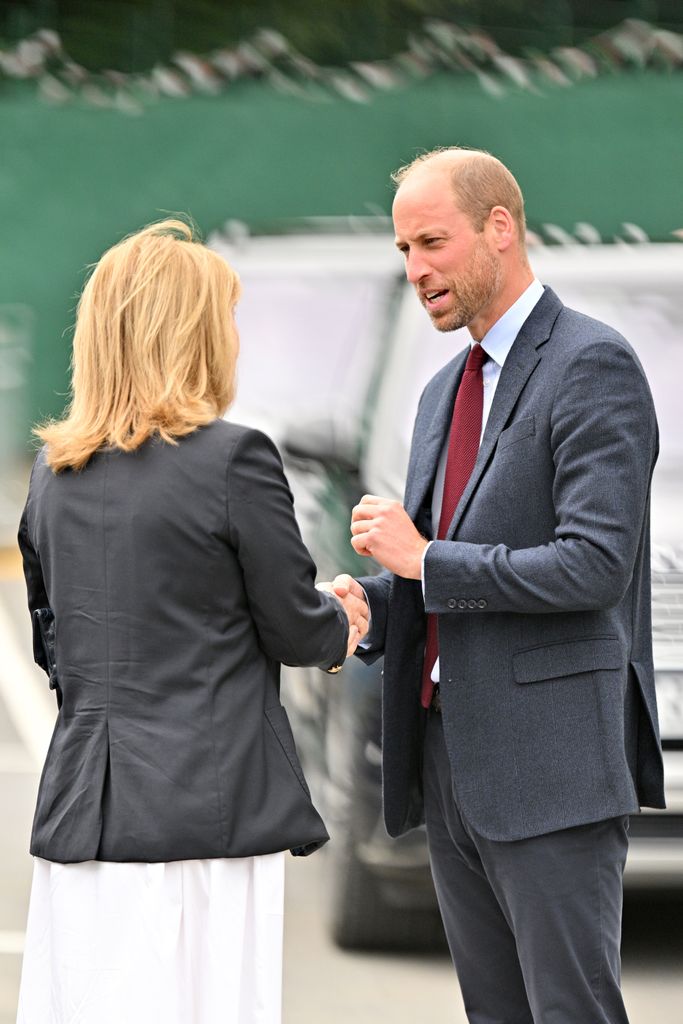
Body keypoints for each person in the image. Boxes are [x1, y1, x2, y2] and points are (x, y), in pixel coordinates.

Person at [327, 147, 664, 1024]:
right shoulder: (443, 389)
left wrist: (421, 563)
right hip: (452, 766)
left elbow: (592, 563)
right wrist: (376, 608)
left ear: (500, 228)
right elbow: (439, 572)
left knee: (571, 1012)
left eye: (432, 242)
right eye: (404, 250)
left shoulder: (592, 365)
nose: (415, 270)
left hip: (551, 768)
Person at [16, 219, 368, 1024]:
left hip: (88, 812)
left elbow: (55, 645)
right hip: (210, 816)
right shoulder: (234, 459)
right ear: (196, 334)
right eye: (227, 321)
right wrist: (340, 620)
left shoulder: (53, 473)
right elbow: (292, 624)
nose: (236, 342)